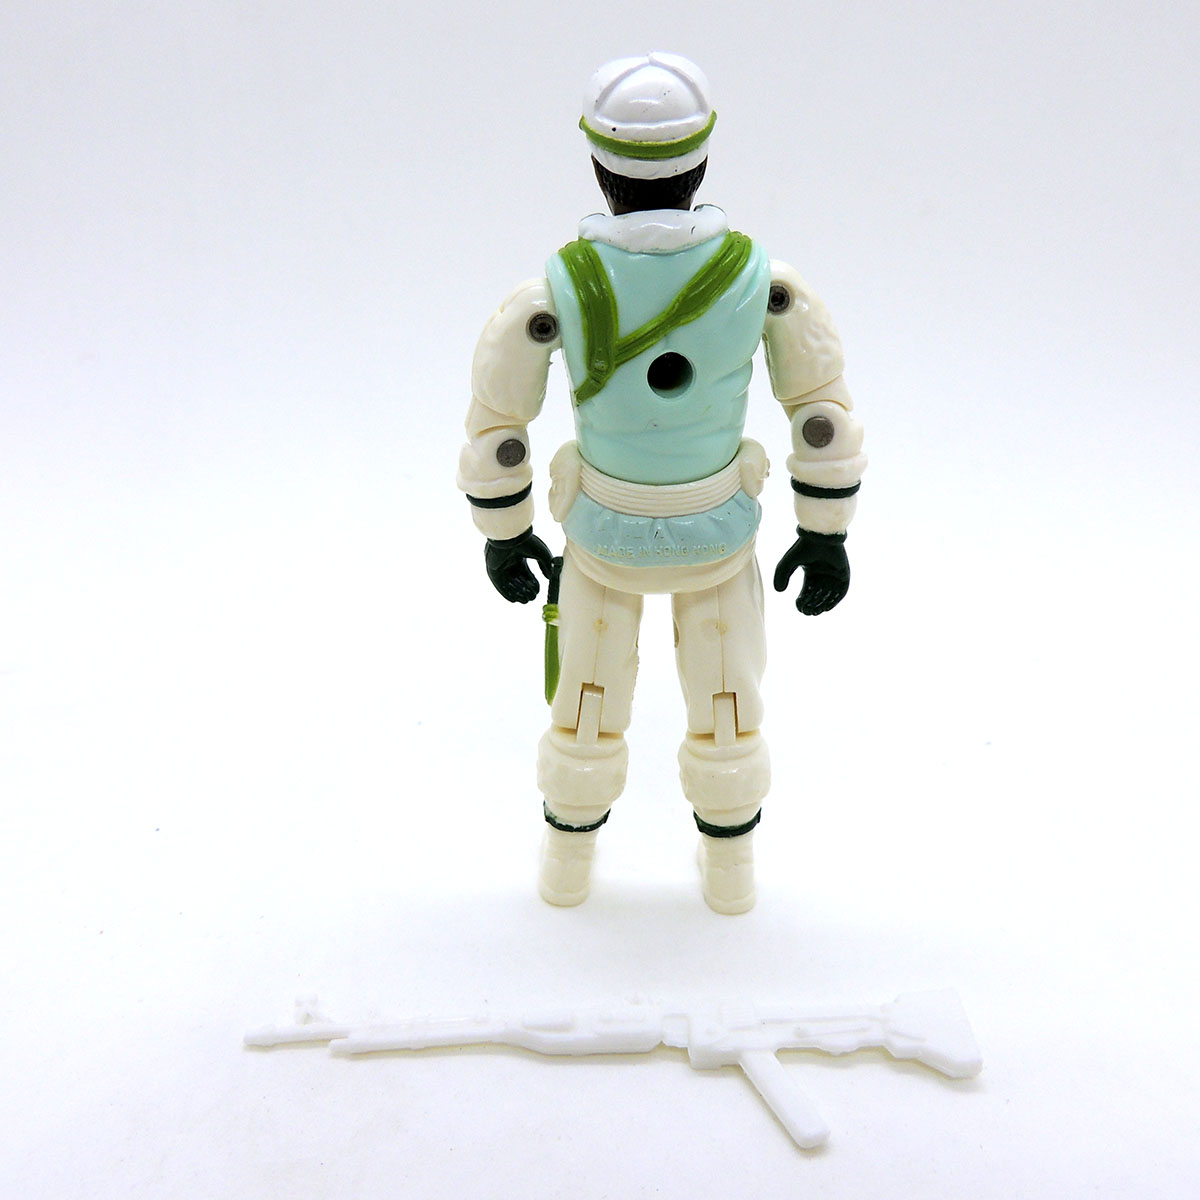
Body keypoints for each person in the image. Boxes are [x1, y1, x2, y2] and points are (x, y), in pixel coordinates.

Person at [457, 52, 866, 913]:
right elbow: (819, 413)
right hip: (717, 539)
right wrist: (824, 532)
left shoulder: (555, 289)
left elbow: (500, 429)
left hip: (602, 541)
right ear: (702, 163)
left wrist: (504, 532)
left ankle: (566, 873)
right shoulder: (764, 282)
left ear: (598, 166)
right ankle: (731, 878)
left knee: (585, 709)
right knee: (728, 710)